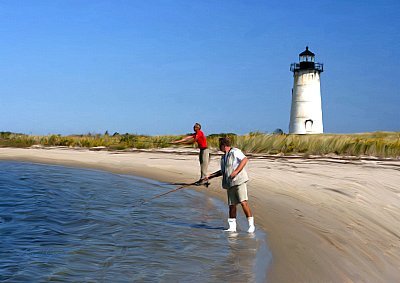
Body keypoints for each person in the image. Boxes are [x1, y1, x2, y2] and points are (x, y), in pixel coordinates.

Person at [205, 137, 255, 233]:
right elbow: (223, 171)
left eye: (220, 146)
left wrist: (236, 171)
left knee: (243, 202)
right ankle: (232, 227)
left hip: (239, 181)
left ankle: (251, 225)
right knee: (232, 205)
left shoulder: (235, 151)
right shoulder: (223, 157)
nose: (219, 148)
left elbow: (244, 160)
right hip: (230, 184)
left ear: (224, 145)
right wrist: (210, 176)